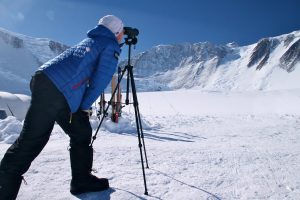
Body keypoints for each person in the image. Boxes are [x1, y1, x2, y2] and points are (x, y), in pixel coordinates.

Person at [0, 15, 124, 199]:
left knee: (81, 131)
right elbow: (101, 80)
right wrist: (84, 105)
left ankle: (81, 181)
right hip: (57, 90)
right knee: (32, 141)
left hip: (45, 80)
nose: (123, 35)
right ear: (116, 32)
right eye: (122, 31)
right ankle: (4, 189)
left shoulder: (93, 39)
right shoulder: (110, 45)